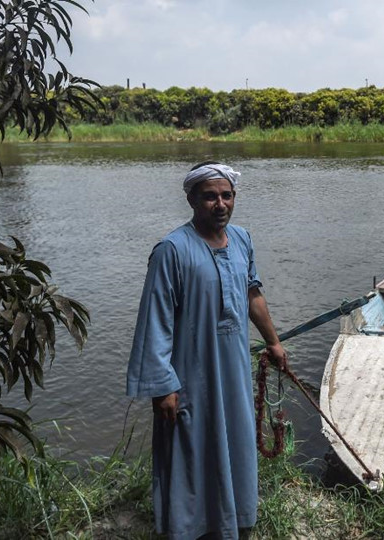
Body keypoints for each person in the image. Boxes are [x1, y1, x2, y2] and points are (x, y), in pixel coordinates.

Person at [126, 161, 287, 540]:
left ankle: (234, 518)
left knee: (236, 438)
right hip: (190, 372)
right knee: (191, 445)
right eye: (210, 196)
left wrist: (274, 342)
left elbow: (252, 295)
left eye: (226, 196)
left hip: (232, 366)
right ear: (191, 199)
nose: (220, 204)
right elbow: (155, 321)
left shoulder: (243, 239)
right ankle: (189, 528)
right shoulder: (172, 250)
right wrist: (162, 385)